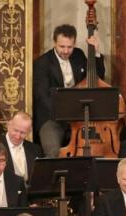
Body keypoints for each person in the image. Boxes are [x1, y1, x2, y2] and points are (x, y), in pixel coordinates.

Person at [32, 24, 105, 157]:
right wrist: (66, 115)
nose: (66, 51)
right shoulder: (42, 63)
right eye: (62, 46)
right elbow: (42, 98)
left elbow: (97, 79)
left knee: (93, 150)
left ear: (74, 43)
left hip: (80, 118)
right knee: (53, 152)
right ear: (54, 43)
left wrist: (96, 53)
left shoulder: (78, 55)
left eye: (69, 47)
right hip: (52, 118)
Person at [0, 111, 39, 183]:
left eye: (23, 133)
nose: (18, 136)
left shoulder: (35, 149)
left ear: (29, 132)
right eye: (15, 130)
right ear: (8, 125)